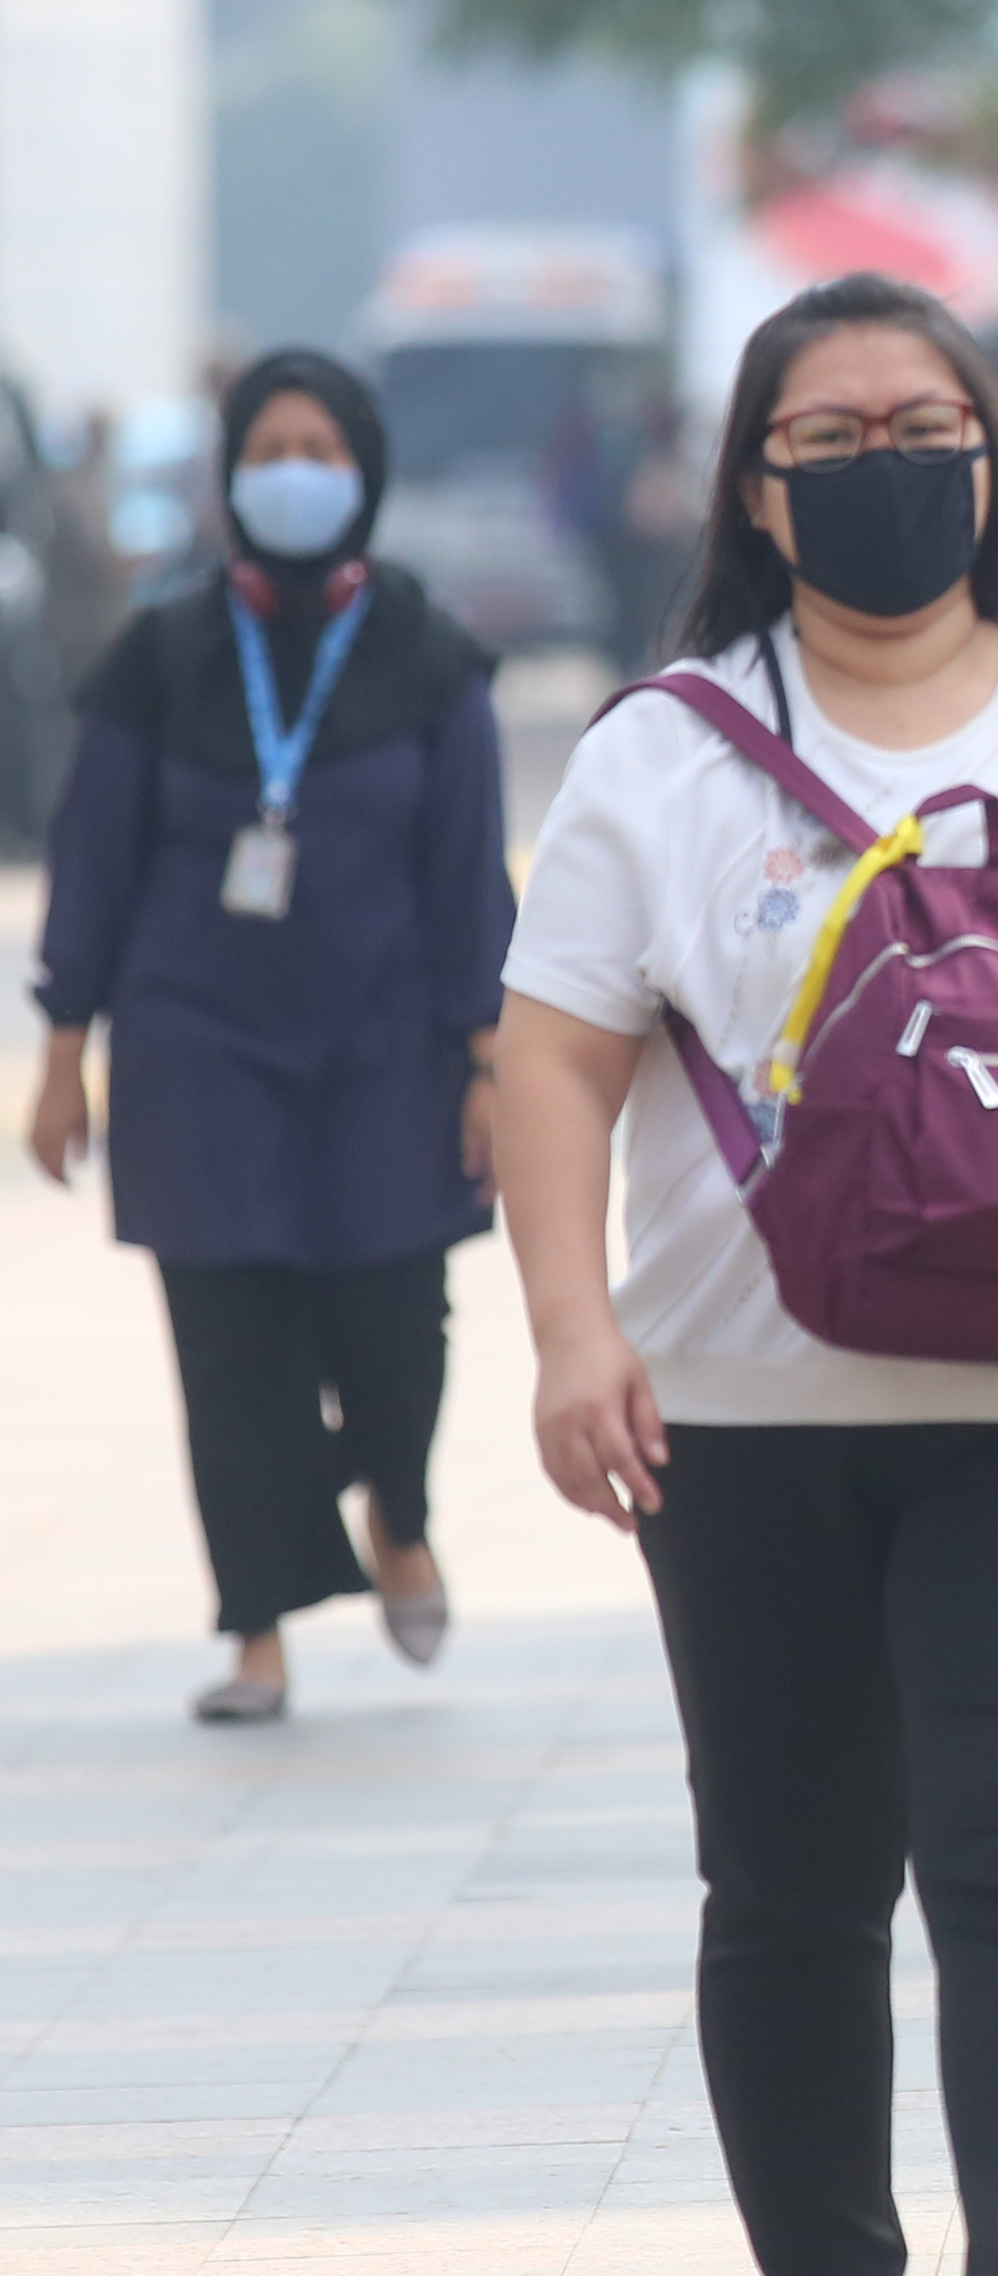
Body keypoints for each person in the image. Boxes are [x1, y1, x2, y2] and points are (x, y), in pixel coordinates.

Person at [491, 272, 998, 2276]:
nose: (888, 471)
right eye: (832, 443)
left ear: (990, 458)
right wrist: (571, 1331)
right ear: (756, 496)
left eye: (924, 432)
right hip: (743, 1424)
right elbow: (551, 1053)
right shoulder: (666, 758)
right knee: (789, 1892)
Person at [28, 348, 507, 1725]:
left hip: (389, 1050)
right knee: (230, 1348)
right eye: (268, 449)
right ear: (232, 473)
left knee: (392, 1331)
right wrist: (64, 1057)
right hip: (198, 1051)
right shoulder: (162, 654)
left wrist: (485, 1062)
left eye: (320, 449)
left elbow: (473, 872)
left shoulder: (428, 651)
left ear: (364, 472)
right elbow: (95, 859)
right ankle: (255, 1632)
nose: (292, 473)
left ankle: (397, 1515)